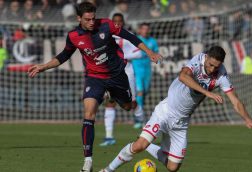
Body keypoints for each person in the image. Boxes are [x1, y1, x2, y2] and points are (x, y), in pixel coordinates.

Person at [27, 2, 162, 172]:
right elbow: (63, 56)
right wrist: (42, 66)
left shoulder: (106, 25)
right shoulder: (74, 36)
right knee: (89, 113)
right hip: (94, 78)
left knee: (128, 106)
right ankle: (88, 160)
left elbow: (131, 37)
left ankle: (112, 95)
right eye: (87, 19)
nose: (92, 22)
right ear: (79, 18)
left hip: (116, 76)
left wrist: (149, 52)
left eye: (93, 18)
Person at [99, 46, 252, 172]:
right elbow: (183, 76)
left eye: (216, 66)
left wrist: (247, 119)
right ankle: (108, 169)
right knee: (138, 146)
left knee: (172, 167)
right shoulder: (198, 60)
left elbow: (235, 100)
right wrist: (207, 92)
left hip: (181, 122)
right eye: (211, 64)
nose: (213, 69)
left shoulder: (221, 75)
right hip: (165, 112)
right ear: (206, 57)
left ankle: (149, 145)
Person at [99, 13, 142, 147]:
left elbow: (139, 53)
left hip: (127, 72)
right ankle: (109, 136)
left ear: (123, 22)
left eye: (119, 21)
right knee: (109, 102)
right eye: (115, 21)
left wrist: (122, 55)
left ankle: (143, 123)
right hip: (110, 74)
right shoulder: (105, 35)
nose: (117, 24)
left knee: (132, 103)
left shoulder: (127, 36)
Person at [132, 23, 159, 129]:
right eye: (143, 29)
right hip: (136, 69)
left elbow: (156, 54)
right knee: (140, 92)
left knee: (144, 93)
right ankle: (139, 119)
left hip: (147, 70)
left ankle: (139, 113)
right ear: (140, 30)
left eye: (147, 29)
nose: (146, 31)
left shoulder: (152, 41)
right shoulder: (135, 40)